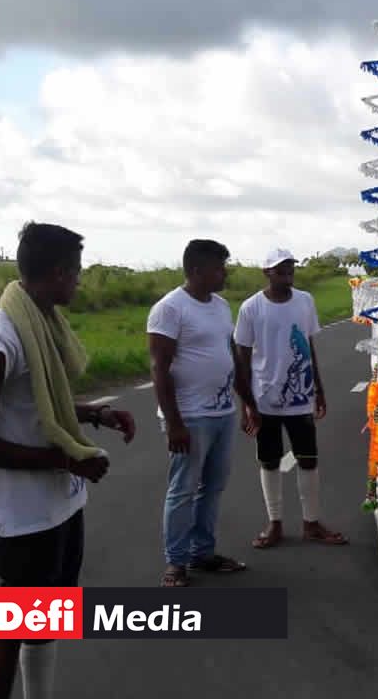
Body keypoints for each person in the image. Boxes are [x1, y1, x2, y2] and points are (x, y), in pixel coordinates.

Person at [0, 222, 136, 699]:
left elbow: (36, 404)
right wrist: (66, 461)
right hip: (25, 518)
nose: (79, 282)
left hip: (61, 505)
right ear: (58, 273)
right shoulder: (0, 339)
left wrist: (95, 415)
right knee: (12, 625)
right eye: (76, 273)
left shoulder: (40, 324)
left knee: (45, 620)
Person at [148, 239, 251, 587]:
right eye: (219, 267)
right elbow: (159, 370)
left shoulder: (221, 306)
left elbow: (232, 357)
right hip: (190, 418)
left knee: (213, 487)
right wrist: (174, 423)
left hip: (223, 412)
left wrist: (248, 402)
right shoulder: (170, 309)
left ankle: (202, 553)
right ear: (196, 270)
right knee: (183, 491)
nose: (225, 272)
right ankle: (175, 562)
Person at [233, 248, 346, 548]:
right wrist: (246, 404)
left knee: (308, 460)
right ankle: (274, 523)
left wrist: (319, 389)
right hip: (264, 399)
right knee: (269, 462)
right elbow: (241, 358)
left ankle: (311, 523)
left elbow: (308, 345)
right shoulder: (251, 308)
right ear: (266, 273)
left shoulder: (305, 301)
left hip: (300, 398)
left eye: (290, 271)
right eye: (280, 272)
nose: (287, 277)